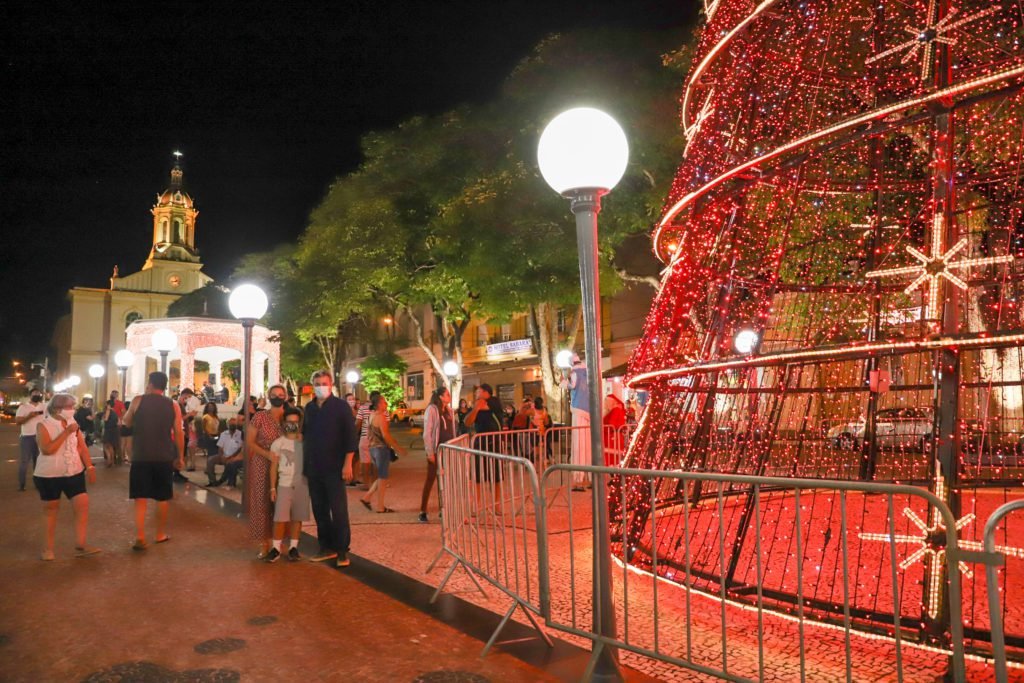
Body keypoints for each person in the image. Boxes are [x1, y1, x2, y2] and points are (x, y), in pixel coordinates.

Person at [34, 393, 100, 560]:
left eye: (73, 406)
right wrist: (66, 432)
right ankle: (47, 549)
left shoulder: (73, 423)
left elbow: (82, 446)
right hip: (49, 474)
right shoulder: (44, 425)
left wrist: (90, 466)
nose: (72, 410)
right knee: (51, 510)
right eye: (69, 407)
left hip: (73, 471)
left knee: (82, 503)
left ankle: (81, 544)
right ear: (57, 408)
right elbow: (47, 449)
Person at [123, 371, 184, 550]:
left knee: (140, 498)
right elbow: (179, 432)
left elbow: (126, 422)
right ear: (164, 386)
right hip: (164, 455)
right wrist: (180, 456)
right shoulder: (173, 405)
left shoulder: (138, 400)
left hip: (141, 455)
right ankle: (159, 534)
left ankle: (140, 536)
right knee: (162, 497)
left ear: (150, 383)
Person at [303, 370, 358, 566]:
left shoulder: (341, 407)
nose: (321, 386)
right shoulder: (309, 408)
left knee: (339, 510)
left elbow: (351, 437)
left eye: (324, 383)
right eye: (317, 383)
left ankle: (342, 550)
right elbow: (305, 436)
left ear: (331, 383)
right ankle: (326, 547)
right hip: (313, 467)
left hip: (335, 468)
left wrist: (348, 463)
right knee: (320, 510)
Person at [245, 384, 288, 559]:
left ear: (285, 396)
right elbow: (250, 441)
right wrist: (267, 454)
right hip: (262, 463)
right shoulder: (260, 417)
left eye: (281, 394)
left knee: (282, 504)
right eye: (274, 394)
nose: (278, 397)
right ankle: (264, 543)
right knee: (262, 503)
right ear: (269, 397)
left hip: (285, 466)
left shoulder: (290, 417)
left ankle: (279, 543)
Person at [267, 407, 310, 562]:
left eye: (296, 422)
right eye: (289, 421)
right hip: (284, 484)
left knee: (297, 518)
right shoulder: (278, 443)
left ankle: (293, 547)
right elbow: (273, 466)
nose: (292, 424)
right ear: (284, 423)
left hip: (302, 484)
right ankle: (276, 548)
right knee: (280, 518)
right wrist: (273, 487)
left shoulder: (304, 442)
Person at [359, 395, 408, 514]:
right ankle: (380, 506)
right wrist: (398, 448)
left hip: (373, 448)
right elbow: (386, 435)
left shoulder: (371, 415)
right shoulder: (380, 417)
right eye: (384, 402)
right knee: (383, 478)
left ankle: (367, 497)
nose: (386, 404)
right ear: (378, 404)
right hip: (381, 449)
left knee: (381, 476)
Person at [465, 383, 504, 512]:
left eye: (479, 391)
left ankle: (497, 505)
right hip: (479, 443)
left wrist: (478, 406)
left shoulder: (494, 401)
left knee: (496, 475)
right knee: (477, 475)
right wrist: (476, 409)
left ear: (486, 392)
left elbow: (485, 406)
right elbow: (467, 421)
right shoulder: (478, 404)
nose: (476, 394)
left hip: (494, 443)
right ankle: (476, 504)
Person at [420, 386, 453, 523]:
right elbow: (427, 432)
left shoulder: (449, 411)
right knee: (431, 479)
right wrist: (430, 452)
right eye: (447, 394)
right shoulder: (432, 409)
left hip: (447, 450)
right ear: (440, 396)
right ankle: (423, 510)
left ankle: (443, 509)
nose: (449, 396)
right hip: (436, 450)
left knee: (444, 481)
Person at [561, 353, 591, 491]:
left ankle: (579, 478)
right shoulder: (588, 371)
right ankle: (589, 477)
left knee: (579, 444)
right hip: (589, 412)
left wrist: (563, 381)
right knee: (588, 444)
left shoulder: (574, 372)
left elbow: (572, 385)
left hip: (578, 409)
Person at [15, 390, 46, 491]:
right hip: (27, 437)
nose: (37, 396)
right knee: (25, 462)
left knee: (38, 461)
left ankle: (38, 484)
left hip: (40, 437)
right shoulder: (23, 407)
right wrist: (29, 416)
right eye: (35, 394)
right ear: (30, 395)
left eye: (38, 394)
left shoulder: (44, 406)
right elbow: (18, 422)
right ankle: (21, 484)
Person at [353, 391, 381, 490]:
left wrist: (355, 433)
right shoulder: (382, 408)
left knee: (365, 461)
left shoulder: (363, 408)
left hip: (364, 437)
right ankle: (375, 484)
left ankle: (366, 484)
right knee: (376, 462)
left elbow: (357, 423)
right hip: (377, 439)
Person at [206, 417, 244, 487]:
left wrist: (231, 457)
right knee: (210, 460)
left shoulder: (241, 434)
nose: (232, 425)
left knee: (231, 463)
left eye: (234, 424)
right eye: (230, 424)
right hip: (223, 456)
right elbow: (220, 448)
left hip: (235, 457)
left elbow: (240, 449)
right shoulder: (223, 434)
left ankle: (227, 482)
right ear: (227, 425)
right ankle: (212, 481)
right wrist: (222, 456)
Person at [602, 394, 627, 466]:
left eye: (606, 402)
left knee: (610, 459)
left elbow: (611, 424)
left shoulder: (615, 410)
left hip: (612, 439)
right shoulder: (614, 410)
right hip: (611, 437)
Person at [531, 396, 552, 466]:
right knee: (543, 446)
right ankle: (544, 461)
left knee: (535, 447)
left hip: (533, 431)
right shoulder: (544, 411)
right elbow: (546, 422)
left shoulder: (532, 410)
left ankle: (535, 464)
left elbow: (530, 419)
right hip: (542, 431)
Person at [101, 399, 121, 468]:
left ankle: (109, 460)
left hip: (108, 430)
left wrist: (103, 417)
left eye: (107, 404)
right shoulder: (115, 412)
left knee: (106, 446)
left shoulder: (108, 411)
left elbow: (106, 419)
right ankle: (112, 461)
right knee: (111, 446)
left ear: (108, 405)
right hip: (114, 430)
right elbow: (119, 422)